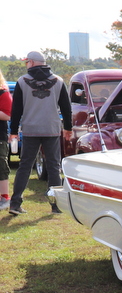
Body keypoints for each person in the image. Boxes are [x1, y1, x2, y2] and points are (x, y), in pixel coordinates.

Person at [8, 51, 73, 215]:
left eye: (26, 62)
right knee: (53, 167)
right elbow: (66, 107)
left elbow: (16, 110)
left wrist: (14, 131)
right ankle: (55, 205)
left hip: (30, 129)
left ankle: (15, 204)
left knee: (25, 166)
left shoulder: (22, 81)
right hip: (51, 129)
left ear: (31, 62)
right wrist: (68, 128)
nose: (26, 65)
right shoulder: (58, 81)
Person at [0, 69, 12, 210]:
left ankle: (5, 197)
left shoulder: (3, 92)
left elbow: (7, 115)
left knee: (1, 168)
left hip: (0, 137)